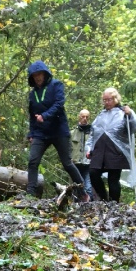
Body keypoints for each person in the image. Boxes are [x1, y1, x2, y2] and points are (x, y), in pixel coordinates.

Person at [25, 61, 88, 202]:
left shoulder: (56, 85)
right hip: (40, 133)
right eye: (35, 76)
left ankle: (83, 192)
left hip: (59, 130)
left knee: (67, 163)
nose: (38, 78)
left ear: (45, 74)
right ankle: (30, 194)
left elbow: (59, 104)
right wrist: (31, 133)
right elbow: (32, 115)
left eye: (40, 74)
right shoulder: (32, 94)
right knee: (33, 161)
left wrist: (45, 116)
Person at [87, 87, 136, 203]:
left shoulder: (123, 112)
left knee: (113, 179)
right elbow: (93, 132)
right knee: (93, 173)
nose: (106, 102)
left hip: (116, 151)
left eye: (109, 99)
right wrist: (89, 148)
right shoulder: (101, 114)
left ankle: (114, 203)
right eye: (104, 100)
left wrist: (129, 115)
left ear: (115, 99)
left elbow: (134, 127)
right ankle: (104, 199)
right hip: (99, 151)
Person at [71, 109, 93, 197]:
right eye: (82, 116)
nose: (85, 119)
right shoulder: (72, 133)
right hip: (75, 165)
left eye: (87, 117)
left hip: (88, 164)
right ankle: (75, 206)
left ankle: (89, 207)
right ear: (79, 117)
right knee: (75, 187)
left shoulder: (92, 134)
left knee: (88, 187)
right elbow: (67, 148)